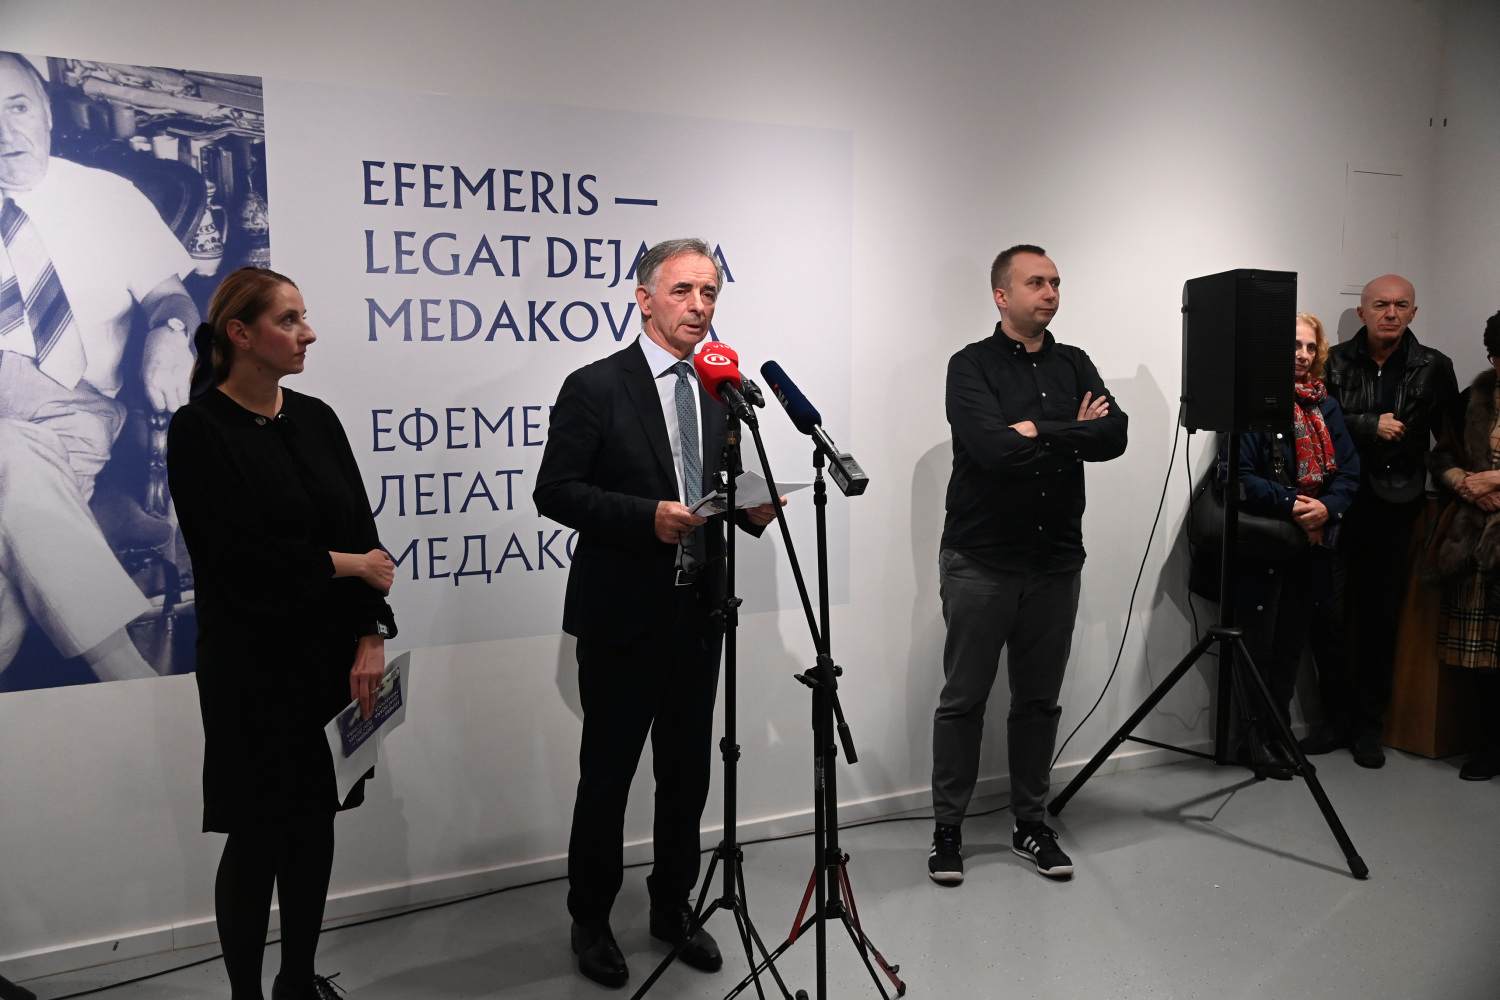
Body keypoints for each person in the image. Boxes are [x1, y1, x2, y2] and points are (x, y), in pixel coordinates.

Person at [534, 238, 782, 989]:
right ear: (644, 299)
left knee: (686, 775)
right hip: (623, 614)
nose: (699, 307)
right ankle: (590, 918)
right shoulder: (595, 386)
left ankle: (672, 904)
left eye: (709, 293)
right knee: (608, 777)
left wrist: (749, 509)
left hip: (699, 611)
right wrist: (647, 517)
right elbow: (557, 491)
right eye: (683, 292)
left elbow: (716, 488)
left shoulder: (721, 387)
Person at [167, 267, 398, 1000]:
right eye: (289, 320)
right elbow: (243, 562)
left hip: (330, 657)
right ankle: (246, 995)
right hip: (252, 667)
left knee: (314, 823)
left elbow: (363, 534)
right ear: (240, 333)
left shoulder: (317, 417)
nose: (309, 333)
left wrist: (371, 635)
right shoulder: (199, 430)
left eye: (304, 317)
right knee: (258, 832)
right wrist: (348, 565)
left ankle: (297, 981)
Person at [928, 244, 1127, 885]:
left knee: (1038, 702)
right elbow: (992, 450)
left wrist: (1037, 430)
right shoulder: (970, 365)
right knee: (964, 700)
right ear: (1001, 295)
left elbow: (1115, 435)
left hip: (1055, 561)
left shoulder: (1074, 362)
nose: (1050, 293)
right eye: (1035, 282)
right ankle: (948, 829)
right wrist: (1071, 430)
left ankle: (1031, 824)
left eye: (1055, 282)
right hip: (981, 559)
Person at [0, 51, 198, 681]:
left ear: (45, 110)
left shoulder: (106, 198)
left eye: (17, 107)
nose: (4, 132)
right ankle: (125, 674)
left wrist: (172, 333)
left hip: (68, 414)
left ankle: (118, 672)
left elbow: (171, 297)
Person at [1312, 274, 1457, 767]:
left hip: (1397, 509)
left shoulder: (1434, 366)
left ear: (1414, 312)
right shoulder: (1333, 361)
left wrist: (1458, 486)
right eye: (1380, 305)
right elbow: (1313, 420)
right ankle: (1335, 720)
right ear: (1362, 312)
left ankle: (1368, 728)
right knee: (1327, 615)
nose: (1390, 313)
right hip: (1336, 503)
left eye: (1400, 305)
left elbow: (1450, 439)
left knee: (1379, 619)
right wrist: (1368, 424)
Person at [1221, 313, 1360, 776]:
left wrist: (1328, 509)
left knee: (1289, 648)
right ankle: (1253, 742)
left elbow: (1349, 471)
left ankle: (1278, 736)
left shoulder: (1326, 405)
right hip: (1267, 545)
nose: (1302, 355)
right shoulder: (1251, 404)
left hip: (1313, 546)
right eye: (1293, 346)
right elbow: (1237, 476)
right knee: (1257, 647)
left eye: (1309, 347)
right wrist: (1298, 507)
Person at [1426, 309, 1500, 781]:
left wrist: (1498, 479)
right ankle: (1492, 746)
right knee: (1482, 656)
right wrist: (1468, 485)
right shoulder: (1469, 400)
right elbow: (1442, 457)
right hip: (1475, 536)